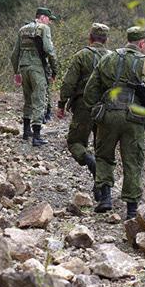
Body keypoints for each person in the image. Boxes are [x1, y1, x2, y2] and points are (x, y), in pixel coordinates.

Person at [83, 26, 145, 219]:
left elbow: (90, 90)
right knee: (132, 161)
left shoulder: (108, 58)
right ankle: (132, 210)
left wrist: (96, 109)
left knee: (104, 155)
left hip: (108, 114)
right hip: (134, 117)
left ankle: (105, 199)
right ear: (141, 43)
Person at [57, 23, 112, 177]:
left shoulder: (81, 55)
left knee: (75, 142)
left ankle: (89, 160)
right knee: (102, 149)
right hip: (107, 107)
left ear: (90, 38)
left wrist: (61, 104)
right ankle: (101, 187)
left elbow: (69, 82)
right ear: (106, 40)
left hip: (84, 106)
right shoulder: (113, 58)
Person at [10, 7, 58, 147]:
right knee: (39, 99)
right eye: (49, 19)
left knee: (28, 99)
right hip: (37, 68)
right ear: (43, 17)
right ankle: (37, 136)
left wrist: (16, 72)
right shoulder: (43, 28)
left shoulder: (22, 30)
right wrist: (55, 70)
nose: (49, 22)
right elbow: (49, 50)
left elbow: (14, 54)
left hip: (24, 68)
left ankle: (26, 131)